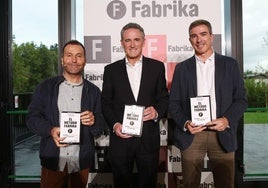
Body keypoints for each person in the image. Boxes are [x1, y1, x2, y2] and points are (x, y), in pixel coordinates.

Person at [169, 19, 247, 188]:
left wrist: (226, 120)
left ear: (212, 37)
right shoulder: (182, 68)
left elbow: (241, 100)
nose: (199, 40)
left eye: (203, 34)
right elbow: (173, 103)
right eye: (194, 36)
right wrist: (185, 123)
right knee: (190, 184)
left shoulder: (230, 65)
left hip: (222, 134)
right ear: (190, 40)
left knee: (225, 184)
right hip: (192, 135)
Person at [26, 40, 104, 188]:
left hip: (81, 161)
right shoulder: (45, 87)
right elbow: (31, 118)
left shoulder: (93, 91)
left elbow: (100, 125)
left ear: (85, 60)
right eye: (69, 55)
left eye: (79, 55)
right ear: (62, 60)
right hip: (53, 158)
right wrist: (51, 130)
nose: (74, 60)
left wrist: (93, 121)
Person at [101, 22, 169, 188]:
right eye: (128, 40)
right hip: (121, 139)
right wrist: (115, 125)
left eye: (136, 39)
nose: (132, 44)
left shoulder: (157, 67)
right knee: (121, 184)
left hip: (148, 140)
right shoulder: (110, 70)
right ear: (122, 43)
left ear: (143, 41)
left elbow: (164, 98)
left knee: (148, 183)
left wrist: (156, 112)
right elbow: (105, 102)